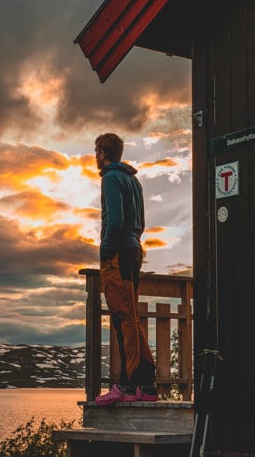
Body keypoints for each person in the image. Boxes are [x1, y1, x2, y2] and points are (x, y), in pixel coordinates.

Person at [93, 133, 158, 406]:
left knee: (122, 318)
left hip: (118, 253)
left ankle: (128, 386)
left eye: (96, 151)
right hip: (134, 250)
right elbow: (140, 222)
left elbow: (115, 218)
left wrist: (106, 250)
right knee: (131, 316)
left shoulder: (110, 178)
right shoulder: (133, 180)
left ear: (102, 153)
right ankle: (146, 384)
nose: (95, 156)